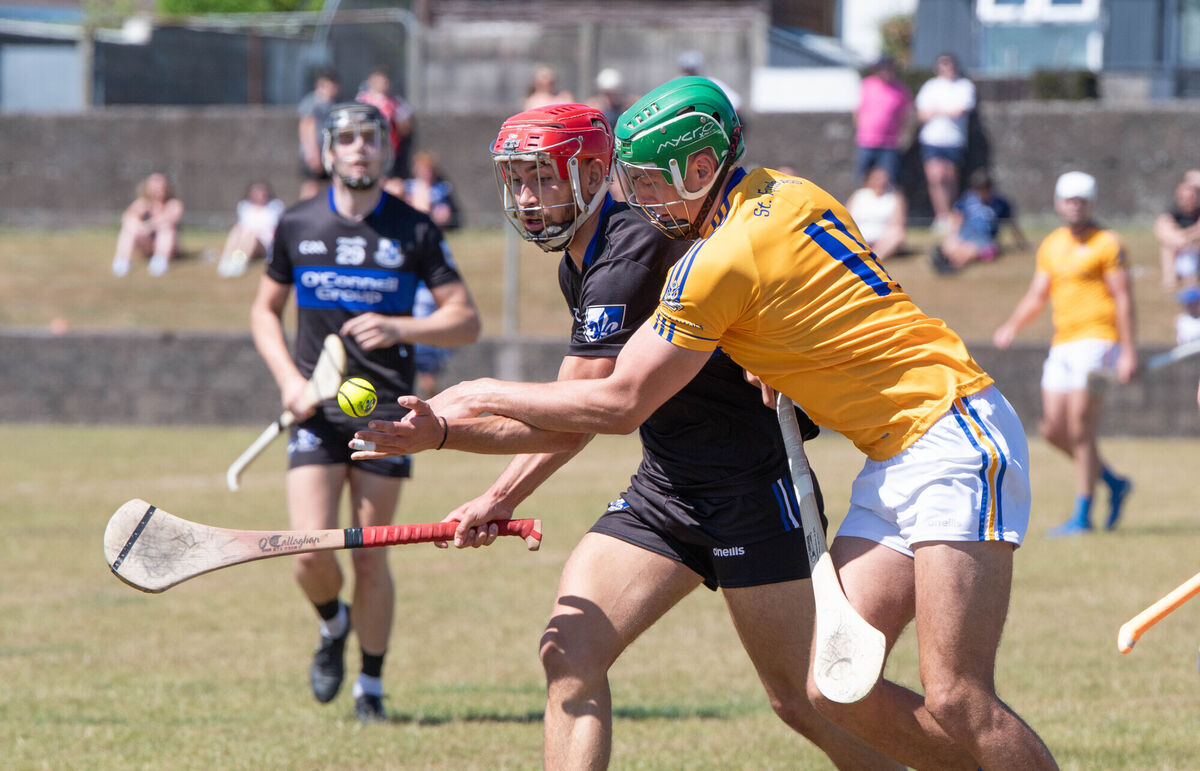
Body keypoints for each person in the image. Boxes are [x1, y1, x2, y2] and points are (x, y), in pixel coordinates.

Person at [368, 78, 1057, 769]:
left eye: (646, 183)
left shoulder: (714, 260)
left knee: (957, 698)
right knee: (832, 688)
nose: (637, 202)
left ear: (701, 169)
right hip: (883, 458)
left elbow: (617, 402)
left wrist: (480, 393)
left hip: (949, 432)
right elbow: (819, 307)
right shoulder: (792, 192)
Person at [249, 103, 480, 723]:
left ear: (386, 151)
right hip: (317, 410)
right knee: (308, 551)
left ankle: (370, 690)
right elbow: (263, 311)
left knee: (371, 556)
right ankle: (333, 624)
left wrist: (399, 323)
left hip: (386, 415)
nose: (358, 149)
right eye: (346, 139)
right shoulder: (295, 224)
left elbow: (465, 319)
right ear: (327, 152)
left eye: (370, 139)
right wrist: (289, 381)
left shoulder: (415, 229)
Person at [994, 171, 1136, 537]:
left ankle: (1083, 515)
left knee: (1080, 428)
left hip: (1101, 344)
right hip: (1063, 344)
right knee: (1054, 430)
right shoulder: (1052, 245)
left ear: (1091, 203)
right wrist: (1012, 325)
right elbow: (1038, 294)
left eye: (1081, 200)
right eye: (1069, 200)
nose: (1075, 206)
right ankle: (1113, 482)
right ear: (1059, 203)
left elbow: (1124, 298)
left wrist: (1128, 351)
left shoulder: (1108, 243)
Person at [915, 53, 975, 229]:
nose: (947, 70)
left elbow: (961, 110)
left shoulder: (964, 86)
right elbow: (922, 114)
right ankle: (941, 215)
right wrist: (944, 111)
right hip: (932, 139)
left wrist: (937, 110)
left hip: (953, 140)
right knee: (936, 176)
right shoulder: (930, 87)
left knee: (949, 177)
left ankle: (951, 214)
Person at [928, 168, 1029, 274]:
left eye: (984, 189)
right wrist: (955, 234)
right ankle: (945, 258)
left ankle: (953, 266)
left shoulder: (1000, 203)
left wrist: (1021, 242)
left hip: (985, 239)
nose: (981, 193)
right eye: (978, 190)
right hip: (966, 234)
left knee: (969, 251)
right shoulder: (968, 199)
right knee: (951, 244)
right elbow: (957, 214)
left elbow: (1011, 223)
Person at [112, 172, 184, 277]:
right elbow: (127, 218)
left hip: (170, 248)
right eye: (154, 185)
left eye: (160, 185)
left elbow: (169, 219)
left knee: (165, 228)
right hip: (147, 244)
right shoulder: (142, 203)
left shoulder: (173, 204)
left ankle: (160, 262)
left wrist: (149, 226)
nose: (157, 189)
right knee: (129, 228)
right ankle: (122, 261)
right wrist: (139, 226)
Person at [853, 55, 911, 186]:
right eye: (882, 69)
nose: (885, 72)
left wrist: (902, 137)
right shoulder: (867, 85)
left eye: (889, 69)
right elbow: (858, 110)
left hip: (889, 142)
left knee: (890, 179)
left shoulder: (901, 90)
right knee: (862, 177)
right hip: (866, 140)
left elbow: (905, 116)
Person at [356, 67, 414, 194]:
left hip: (392, 150)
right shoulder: (363, 101)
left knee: (395, 185)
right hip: (370, 150)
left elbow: (406, 128)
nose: (383, 85)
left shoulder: (396, 102)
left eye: (385, 82)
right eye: (379, 81)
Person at [216, 181, 285, 278]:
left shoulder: (275, 207)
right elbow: (241, 225)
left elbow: (277, 228)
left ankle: (239, 263)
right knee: (236, 231)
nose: (260, 195)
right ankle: (227, 259)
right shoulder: (244, 207)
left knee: (251, 235)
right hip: (244, 238)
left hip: (264, 243)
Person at [846, 165, 907, 261]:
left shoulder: (894, 197)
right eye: (877, 178)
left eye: (883, 178)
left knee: (898, 235)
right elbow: (846, 218)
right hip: (859, 236)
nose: (880, 182)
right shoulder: (858, 195)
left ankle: (875, 258)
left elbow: (898, 223)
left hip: (883, 238)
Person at [297, 69, 340, 201]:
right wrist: (312, 153)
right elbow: (306, 126)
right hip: (314, 154)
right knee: (311, 187)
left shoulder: (334, 104)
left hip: (329, 153)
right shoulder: (312, 102)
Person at [1153, 177, 1200, 290]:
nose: (1187, 201)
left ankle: (1191, 279)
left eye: (1190, 197)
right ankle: (1170, 280)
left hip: (1195, 245)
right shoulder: (1173, 211)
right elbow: (1160, 229)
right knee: (1167, 247)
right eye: (1184, 198)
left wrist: (1186, 237)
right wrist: (1180, 240)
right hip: (1178, 246)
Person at [403, 151, 459, 231]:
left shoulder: (440, 188)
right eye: (421, 170)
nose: (425, 173)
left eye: (427, 170)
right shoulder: (408, 186)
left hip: (434, 218)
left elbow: (445, 207)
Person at [678, 50, 742, 112]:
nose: (691, 75)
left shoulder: (710, 83)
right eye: (688, 71)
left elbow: (736, 102)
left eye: (693, 71)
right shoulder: (677, 84)